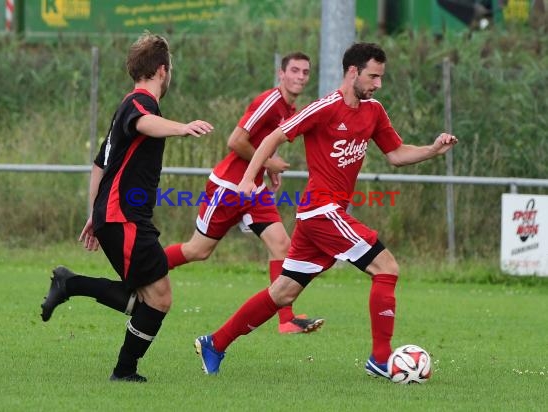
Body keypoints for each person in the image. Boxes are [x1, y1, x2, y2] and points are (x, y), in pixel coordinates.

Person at [194, 42, 458, 377]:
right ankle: (380, 360)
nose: (378, 84)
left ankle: (214, 343)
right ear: (352, 72)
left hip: (319, 217)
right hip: (321, 211)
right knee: (386, 266)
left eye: (380, 77)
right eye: (373, 76)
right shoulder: (324, 107)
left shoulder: (374, 111)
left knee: (283, 291)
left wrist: (433, 150)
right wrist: (249, 178)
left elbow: (396, 153)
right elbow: (271, 138)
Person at [40, 32, 213, 382]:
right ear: (162, 70)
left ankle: (71, 286)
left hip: (117, 216)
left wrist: (94, 213)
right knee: (159, 297)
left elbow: (99, 163)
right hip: (124, 217)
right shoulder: (138, 105)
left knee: (149, 298)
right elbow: (144, 124)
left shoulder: (126, 106)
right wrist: (182, 128)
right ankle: (121, 367)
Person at [163, 52, 324, 334]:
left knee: (282, 246)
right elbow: (235, 140)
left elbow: (263, 145)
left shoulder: (290, 109)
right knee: (198, 251)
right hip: (228, 188)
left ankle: (286, 320)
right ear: (281, 74)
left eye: (305, 72)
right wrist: (269, 162)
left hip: (254, 189)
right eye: (294, 70)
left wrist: (268, 168)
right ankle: (142, 269)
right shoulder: (270, 102)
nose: (300, 76)